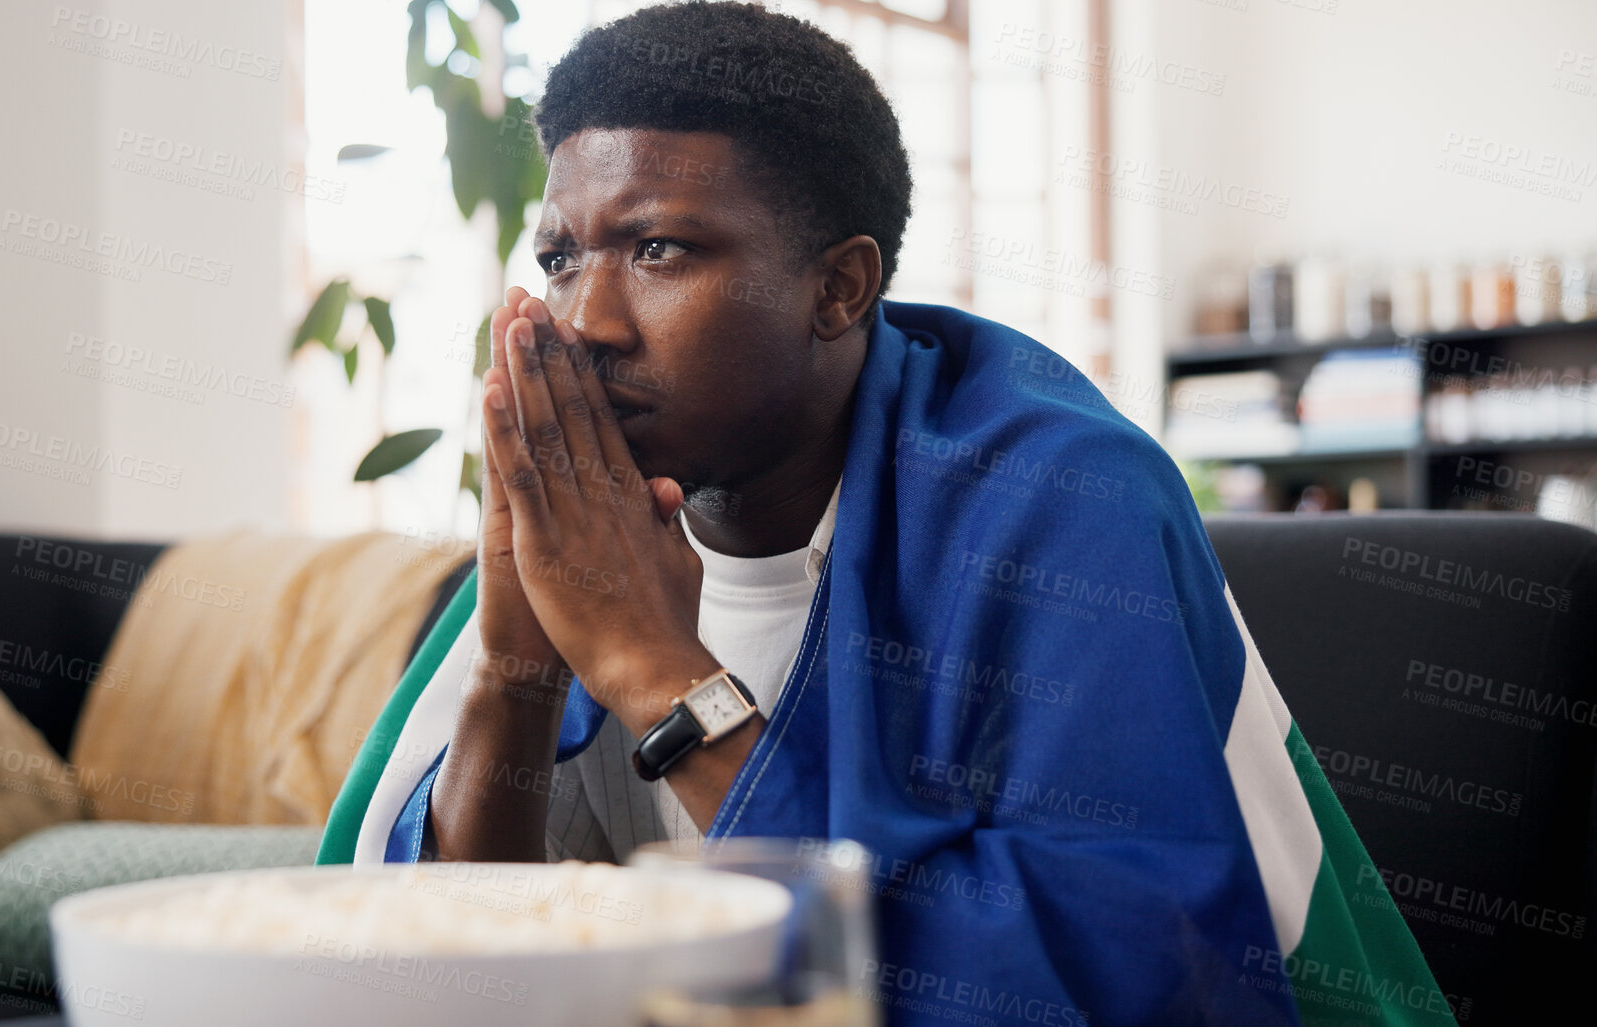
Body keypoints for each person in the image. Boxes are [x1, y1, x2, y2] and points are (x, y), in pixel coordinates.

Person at [321, 2, 1454, 1023]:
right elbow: (444, 970)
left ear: (840, 288)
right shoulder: (578, 521)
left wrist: (658, 674)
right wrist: (514, 676)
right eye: (561, 258)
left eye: (659, 247)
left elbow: (1115, 994)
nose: (591, 319)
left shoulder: (1063, 498)